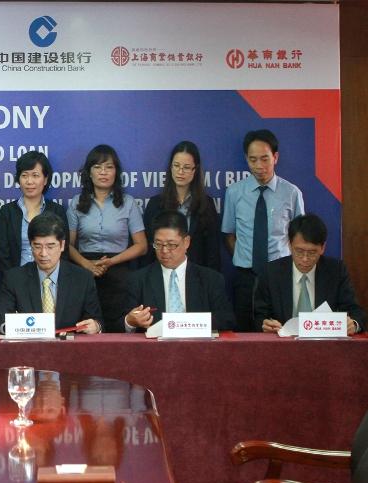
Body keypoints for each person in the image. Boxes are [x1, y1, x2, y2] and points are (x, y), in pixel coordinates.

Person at [222, 129, 304, 331]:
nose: (259, 166)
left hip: (281, 276)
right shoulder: (234, 192)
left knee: (279, 332)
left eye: (265, 159)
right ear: (246, 159)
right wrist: (244, 258)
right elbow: (229, 234)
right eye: (253, 160)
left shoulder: (292, 193)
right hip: (245, 276)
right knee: (244, 333)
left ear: (275, 157)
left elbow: (300, 237)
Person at [67, 144, 147, 332]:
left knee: (118, 327)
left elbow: (142, 246)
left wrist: (111, 261)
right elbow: (66, 245)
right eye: (98, 167)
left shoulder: (128, 203)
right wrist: (87, 265)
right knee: (87, 326)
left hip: (119, 270)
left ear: (116, 172)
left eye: (109, 167)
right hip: (84, 271)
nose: (103, 172)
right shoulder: (76, 202)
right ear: (89, 172)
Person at [0, 213, 102, 334]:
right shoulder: (14, 278)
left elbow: (97, 320)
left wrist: (96, 326)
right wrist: (14, 328)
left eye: (50, 246)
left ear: (62, 245)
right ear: (31, 245)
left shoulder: (82, 279)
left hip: (69, 345)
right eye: (37, 246)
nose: (43, 253)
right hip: (29, 344)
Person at [122, 211, 235, 332]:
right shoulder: (138, 280)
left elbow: (227, 320)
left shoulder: (211, 279)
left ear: (186, 242)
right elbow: (120, 325)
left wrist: (189, 324)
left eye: (171, 245)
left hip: (198, 343)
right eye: (158, 244)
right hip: (154, 343)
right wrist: (129, 321)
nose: (164, 251)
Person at [255, 214, 365, 335]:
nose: (305, 259)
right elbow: (259, 316)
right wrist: (265, 324)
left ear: (323, 248)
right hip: (283, 342)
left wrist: (353, 324)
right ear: (290, 245)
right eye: (299, 251)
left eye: (312, 252)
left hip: (323, 342)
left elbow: (355, 311)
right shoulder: (271, 272)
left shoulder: (336, 271)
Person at [142, 141, 221, 270]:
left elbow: (212, 251)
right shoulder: (155, 204)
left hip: (196, 274)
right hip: (162, 273)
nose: (180, 171)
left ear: (195, 170)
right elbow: (149, 249)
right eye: (176, 166)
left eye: (186, 167)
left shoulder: (206, 204)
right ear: (171, 168)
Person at [0, 150, 68, 276]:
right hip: (15, 280)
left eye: (35, 175)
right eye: (24, 175)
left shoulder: (57, 211)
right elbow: (2, 254)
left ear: (45, 180)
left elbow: (63, 252)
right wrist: (14, 281)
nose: (29, 181)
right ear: (18, 179)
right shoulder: (7, 212)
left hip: (50, 280)